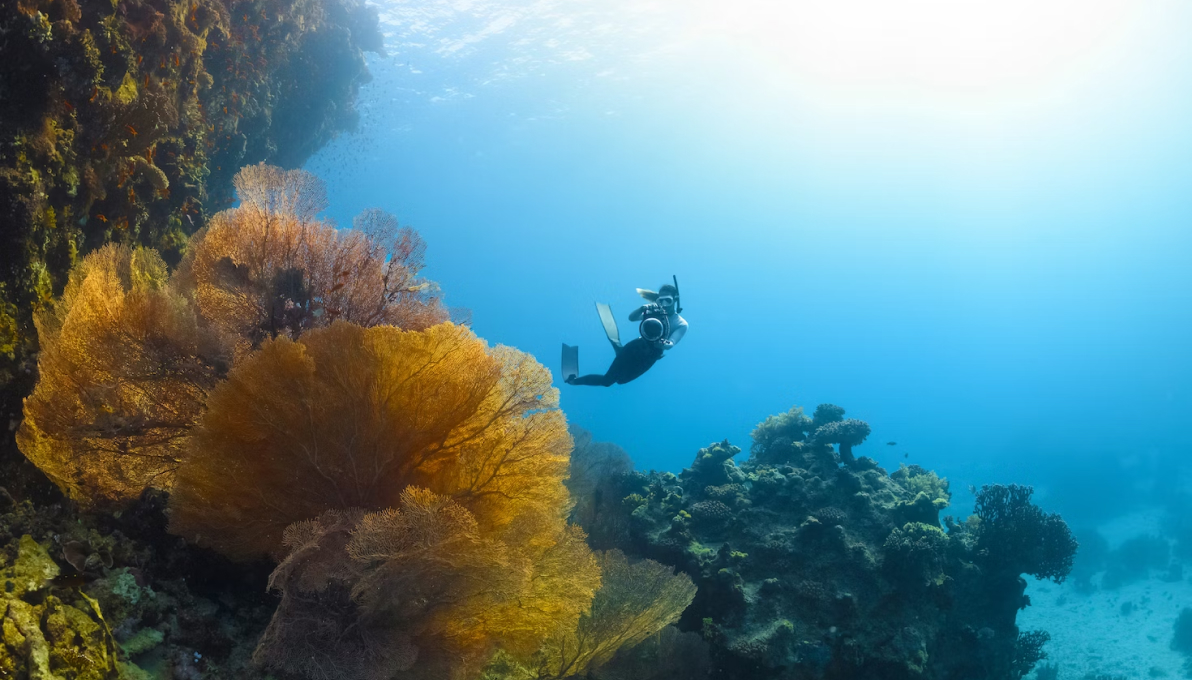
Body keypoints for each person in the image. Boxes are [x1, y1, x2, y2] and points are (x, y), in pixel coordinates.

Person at [564, 281, 687, 387]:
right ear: (657, 299)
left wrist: (663, 344)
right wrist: (642, 309)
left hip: (651, 356)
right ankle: (573, 381)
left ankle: (619, 350)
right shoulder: (653, 310)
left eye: (668, 300)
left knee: (622, 381)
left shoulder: (681, 323)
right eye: (661, 300)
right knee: (607, 381)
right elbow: (632, 318)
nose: (664, 304)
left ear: (675, 299)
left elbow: (671, 343)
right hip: (637, 346)